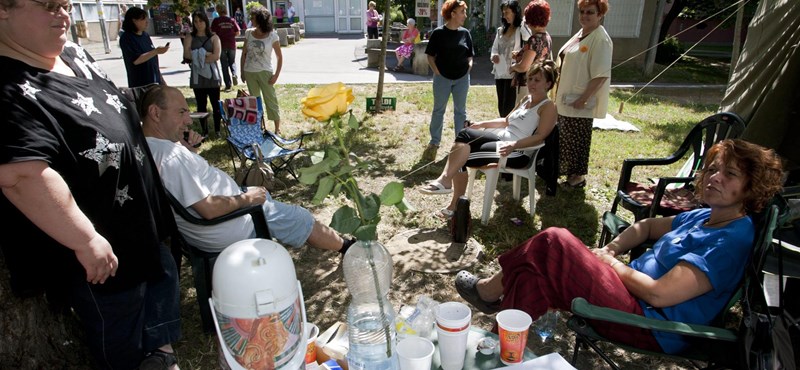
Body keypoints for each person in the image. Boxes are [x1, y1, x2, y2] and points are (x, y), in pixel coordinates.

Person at [455, 139, 784, 354]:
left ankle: (489, 293)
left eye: (730, 174)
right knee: (538, 270)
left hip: (650, 325)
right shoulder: (706, 217)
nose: (715, 178)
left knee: (555, 241)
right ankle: (503, 349)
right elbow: (648, 225)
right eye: (712, 169)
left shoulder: (729, 239)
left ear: (750, 185)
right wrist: (611, 249)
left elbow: (659, 294)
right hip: (627, 297)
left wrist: (610, 265)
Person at [0, 0, 182, 368]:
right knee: (121, 331)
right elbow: (19, 175)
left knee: (159, 290)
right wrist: (85, 239)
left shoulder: (71, 51)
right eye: (50, 6)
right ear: (3, 9)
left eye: (65, 5)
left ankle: (160, 356)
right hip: (103, 253)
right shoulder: (7, 86)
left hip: (139, 225)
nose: (64, 15)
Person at [140, 86, 356, 256]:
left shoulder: (152, 147)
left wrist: (188, 149)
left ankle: (316, 235)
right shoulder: (171, 158)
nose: (188, 120)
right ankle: (347, 247)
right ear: (155, 113)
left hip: (220, 219)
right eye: (181, 112)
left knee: (267, 198)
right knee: (299, 217)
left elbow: (188, 182)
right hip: (230, 224)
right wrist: (246, 198)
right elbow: (208, 209)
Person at [418, 61, 557, 219]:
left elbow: (540, 137)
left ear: (548, 83)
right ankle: (448, 187)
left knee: (460, 155)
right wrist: (480, 125)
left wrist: (514, 145)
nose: (531, 83)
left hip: (516, 152)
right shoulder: (526, 99)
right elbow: (506, 121)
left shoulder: (548, 107)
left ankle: (451, 198)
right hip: (501, 139)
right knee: (465, 135)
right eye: (530, 79)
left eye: (537, 80)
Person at [556, 0, 612, 188]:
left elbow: (601, 75)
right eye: (582, 11)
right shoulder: (581, 34)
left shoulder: (600, 39)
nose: (584, 15)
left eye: (590, 12)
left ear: (600, 14)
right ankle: (567, 173)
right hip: (566, 98)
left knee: (577, 140)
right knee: (566, 139)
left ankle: (577, 177)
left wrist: (583, 98)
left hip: (579, 100)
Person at [422, 0, 475, 162]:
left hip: (461, 79)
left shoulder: (465, 33)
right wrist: (436, 71)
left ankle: (460, 142)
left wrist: (469, 66)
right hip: (442, 78)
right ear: (452, 14)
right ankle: (434, 142)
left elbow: (470, 55)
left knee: (461, 111)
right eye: (462, 12)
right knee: (439, 110)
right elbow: (430, 55)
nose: (465, 15)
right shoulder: (438, 33)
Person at [241, 7, 283, 134]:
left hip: (266, 73)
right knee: (254, 101)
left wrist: (276, 75)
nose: (250, 20)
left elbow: (279, 56)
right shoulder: (248, 33)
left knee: (271, 100)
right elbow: (244, 54)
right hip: (250, 72)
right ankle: (258, 127)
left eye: (253, 18)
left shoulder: (272, 36)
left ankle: (277, 128)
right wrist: (242, 71)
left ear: (260, 19)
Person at [183, 11, 222, 137]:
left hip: (213, 76)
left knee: (216, 104)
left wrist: (198, 55)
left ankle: (217, 130)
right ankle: (204, 131)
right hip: (197, 77)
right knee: (201, 105)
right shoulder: (190, 37)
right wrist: (205, 54)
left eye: (201, 21)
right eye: (195, 21)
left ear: (206, 21)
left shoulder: (214, 37)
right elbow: (186, 55)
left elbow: (216, 56)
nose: (198, 24)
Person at [489, 0, 529, 118]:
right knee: (501, 103)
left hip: (513, 72)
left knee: (510, 105)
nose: (504, 15)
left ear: (515, 12)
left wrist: (523, 23)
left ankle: (509, 128)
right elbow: (494, 48)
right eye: (503, 13)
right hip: (500, 70)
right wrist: (494, 56)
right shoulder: (500, 30)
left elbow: (528, 37)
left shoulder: (521, 30)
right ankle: (502, 126)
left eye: (507, 12)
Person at [509, 0, 551, 110]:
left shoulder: (534, 39)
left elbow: (524, 67)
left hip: (528, 84)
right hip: (540, 83)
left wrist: (513, 67)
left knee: (522, 114)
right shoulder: (546, 37)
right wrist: (519, 55)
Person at [119, 6, 168, 87]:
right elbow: (136, 60)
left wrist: (161, 80)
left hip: (155, 82)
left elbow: (152, 61)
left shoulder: (145, 35)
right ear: (134, 21)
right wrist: (156, 51)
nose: (147, 22)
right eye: (143, 19)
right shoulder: (127, 38)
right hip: (140, 85)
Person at [211, 4, 241, 91]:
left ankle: (228, 85)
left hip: (221, 45)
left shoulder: (216, 21)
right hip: (231, 44)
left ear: (218, 11)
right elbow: (238, 32)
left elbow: (213, 33)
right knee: (232, 62)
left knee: (224, 65)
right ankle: (234, 73)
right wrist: (231, 35)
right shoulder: (231, 20)